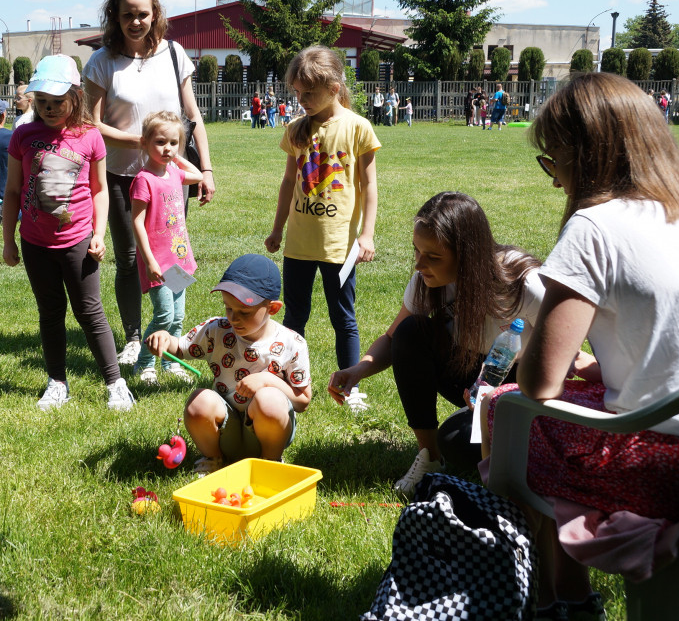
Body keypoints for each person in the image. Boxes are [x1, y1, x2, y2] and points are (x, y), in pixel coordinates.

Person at [481, 72, 679, 620]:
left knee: (505, 409)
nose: (555, 180)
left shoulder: (594, 226)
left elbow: (541, 382)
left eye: (554, 159)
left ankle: (560, 597)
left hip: (663, 459)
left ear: (586, 154)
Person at [328, 192, 544, 498]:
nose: (419, 264)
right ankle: (429, 457)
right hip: (468, 377)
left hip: (516, 384)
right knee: (410, 330)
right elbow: (393, 338)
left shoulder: (522, 283)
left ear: (467, 255)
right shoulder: (426, 281)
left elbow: (561, 356)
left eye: (433, 256)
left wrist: (503, 394)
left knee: (456, 441)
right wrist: (357, 370)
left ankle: (518, 442)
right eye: (417, 251)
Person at [84, 0, 215, 367]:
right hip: (123, 176)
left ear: (154, 13)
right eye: (128, 15)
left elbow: (193, 116)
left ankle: (171, 336)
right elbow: (92, 124)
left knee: (173, 253)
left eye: (143, 14)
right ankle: (134, 336)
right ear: (115, 17)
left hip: (169, 178)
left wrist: (205, 169)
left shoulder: (175, 54)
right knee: (129, 257)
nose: (136, 22)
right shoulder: (102, 61)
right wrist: (140, 143)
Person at [2, 54, 136, 412]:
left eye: (56, 102)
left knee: (90, 311)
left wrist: (98, 233)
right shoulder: (23, 135)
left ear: (75, 97)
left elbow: (99, 189)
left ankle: (115, 383)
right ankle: (57, 382)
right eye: (41, 101)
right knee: (50, 312)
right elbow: (13, 191)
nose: (48, 108)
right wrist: (8, 240)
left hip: (77, 240)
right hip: (34, 242)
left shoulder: (90, 136)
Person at [264, 45, 380, 411]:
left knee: (342, 317)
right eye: (297, 93)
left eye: (309, 93)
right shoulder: (296, 130)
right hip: (299, 243)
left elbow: (369, 185)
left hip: (338, 246)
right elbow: (287, 183)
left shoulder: (358, 128)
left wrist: (367, 235)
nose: (301, 100)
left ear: (333, 86)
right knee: (295, 316)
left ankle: (349, 385)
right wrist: (277, 229)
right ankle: (287, 380)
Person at [144, 254, 312, 477]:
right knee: (199, 401)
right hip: (226, 433)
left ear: (272, 308)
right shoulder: (216, 330)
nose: (234, 318)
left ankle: (270, 463)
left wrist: (268, 380)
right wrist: (164, 338)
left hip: (269, 435)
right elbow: (180, 347)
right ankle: (213, 459)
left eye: (244, 312)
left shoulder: (292, 343)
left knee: (269, 400)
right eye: (228, 308)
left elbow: (302, 401)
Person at [130, 111, 203, 384]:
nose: (167, 148)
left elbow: (196, 174)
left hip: (179, 260)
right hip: (158, 262)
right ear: (145, 142)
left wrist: (175, 154)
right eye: (160, 142)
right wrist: (149, 260)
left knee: (178, 317)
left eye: (174, 143)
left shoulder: (174, 171)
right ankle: (145, 364)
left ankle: (171, 364)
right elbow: (136, 221)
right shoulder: (144, 179)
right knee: (164, 314)